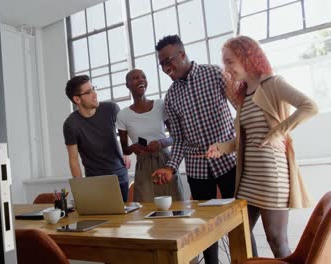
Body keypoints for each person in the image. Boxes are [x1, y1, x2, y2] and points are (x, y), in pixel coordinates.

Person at [205, 35, 318, 258]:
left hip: (271, 176)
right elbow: (243, 140)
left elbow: (310, 106)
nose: (226, 68)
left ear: (246, 57)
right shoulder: (244, 94)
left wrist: (278, 131)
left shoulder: (273, 84)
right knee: (238, 233)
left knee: (277, 241)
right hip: (248, 178)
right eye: (225, 62)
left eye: (230, 61)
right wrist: (222, 147)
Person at [151, 35, 237, 264]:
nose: (167, 68)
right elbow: (178, 139)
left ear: (182, 54)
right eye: (162, 65)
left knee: (239, 227)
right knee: (205, 232)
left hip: (230, 163)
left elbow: (241, 110)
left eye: (169, 61)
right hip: (198, 171)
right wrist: (170, 168)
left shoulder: (215, 74)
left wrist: (240, 142)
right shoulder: (171, 97)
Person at [116, 69, 184, 202]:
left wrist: (161, 143)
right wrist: (133, 148)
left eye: (143, 77)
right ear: (127, 85)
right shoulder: (123, 115)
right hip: (143, 166)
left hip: (166, 162)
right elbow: (125, 150)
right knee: (146, 210)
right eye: (135, 78)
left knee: (176, 206)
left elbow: (176, 136)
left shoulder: (160, 105)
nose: (141, 79)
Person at [63, 75, 129, 202]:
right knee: (102, 221)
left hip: (120, 176)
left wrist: (126, 152)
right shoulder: (71, 124)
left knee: (124, 220)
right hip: (95, 181)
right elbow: (73, 158)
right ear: (77, 99)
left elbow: (125, 130)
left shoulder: (111, 109)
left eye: (93, 89)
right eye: (88, 92)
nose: (95, 94)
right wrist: (80, 188)